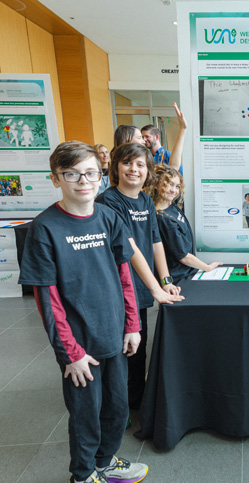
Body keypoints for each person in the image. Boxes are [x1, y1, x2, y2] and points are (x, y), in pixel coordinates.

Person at [19, 141, 149, 483]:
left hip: (114, 335)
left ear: (100, 175)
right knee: (86, 415)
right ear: (56, 178)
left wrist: (132, 324)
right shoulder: (45, 228)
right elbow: (48, 299)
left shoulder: (108, 217)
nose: (83, 181)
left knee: (118, 407)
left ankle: (104, 462)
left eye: (91, 173)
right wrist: (70, 353)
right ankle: (81, 479)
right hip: (80, 348)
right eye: (72, 174)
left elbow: (125, 276)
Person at [96, 139, 185, 410]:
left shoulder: (146, 200)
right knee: (122, 348)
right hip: (119, 288)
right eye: (127, 163)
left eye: (140, 164)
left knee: (139, 347)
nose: (133, 169)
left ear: (148, 171)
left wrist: (165, 281)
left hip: (142, 287)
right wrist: (156, 288)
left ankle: (135, 402)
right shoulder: (108, 201)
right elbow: (130, 247)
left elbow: (155, 241)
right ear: (116, 167)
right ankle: (117, 406)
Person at [151, 166, 222, 284]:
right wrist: (207, 267)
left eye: (177, 186)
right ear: (157, 184)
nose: (174, 190)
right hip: (178, 278)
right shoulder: (163, 219)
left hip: (188, 271)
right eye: (169, 184)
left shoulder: (171, 206)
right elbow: (183, 256)